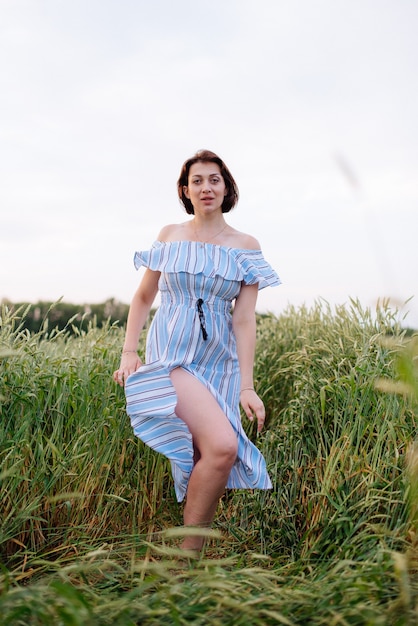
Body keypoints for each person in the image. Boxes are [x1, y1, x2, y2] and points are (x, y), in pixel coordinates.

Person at [113, 149, 281, 554]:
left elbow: (243, 320)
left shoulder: (246, 246)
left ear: (227, 188)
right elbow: (142, 297)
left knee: (216, 455)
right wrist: (128, 352)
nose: (206, 187)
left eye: (214, 179)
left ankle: (187, 560)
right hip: (172, 356)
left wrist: (247, 386)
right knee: (223, 446)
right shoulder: (170, 235)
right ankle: (186, 560)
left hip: (218, 364)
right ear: (185, 191)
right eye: (197, 181)